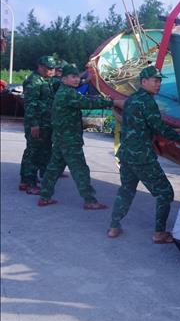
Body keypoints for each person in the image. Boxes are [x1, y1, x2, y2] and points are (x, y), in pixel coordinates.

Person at [108, 65, 180, 243]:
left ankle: (114, 226)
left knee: (126, 190)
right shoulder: (148, 101)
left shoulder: (133, 99)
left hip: (126, 154)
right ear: (144, 81)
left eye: (159, 81)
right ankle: (159, 233)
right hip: (142, 157)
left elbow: (143, 125)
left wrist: (175, 129)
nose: (158, 84)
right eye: (155, 81)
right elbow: (158, 127)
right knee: (165, 193)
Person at [37, 64, 124, 209]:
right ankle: (90, 201)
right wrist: (113, 101)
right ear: (64, 79)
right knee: (80, 171)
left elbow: (80, 93)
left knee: (53, 169)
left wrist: (86, 81)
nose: (76, 79)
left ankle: (44, 197)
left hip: (61, 138)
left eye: (77, 76)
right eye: (73, 77)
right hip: (69, 140)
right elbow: (88, 102)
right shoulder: (68, 94)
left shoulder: (64, 90)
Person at [20, 55, 57, 193]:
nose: (51, 71)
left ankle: (25, 181)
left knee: (36, 151)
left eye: (52, 69)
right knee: (34, 152)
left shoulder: (46, 80)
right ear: (40, 67)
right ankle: (30, 184)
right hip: (36, 124)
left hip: (45, 123)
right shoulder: (34, 82)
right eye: (48, 69)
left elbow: (60, 84)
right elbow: (30, 105)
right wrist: (34, 124)